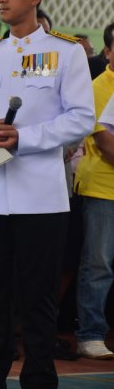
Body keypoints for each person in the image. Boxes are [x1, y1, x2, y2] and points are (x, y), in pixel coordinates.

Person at [0, 0, 95, 389]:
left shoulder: (65, 52)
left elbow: (81, 119)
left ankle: (39, 376)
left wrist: (24, 138)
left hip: (41, 197)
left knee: (38, 297)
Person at [74, 22, 114, 360]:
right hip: (102, 187)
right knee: (98, 264)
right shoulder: (97, 88)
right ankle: (90, 333)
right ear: (108, 52)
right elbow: (105, 143)